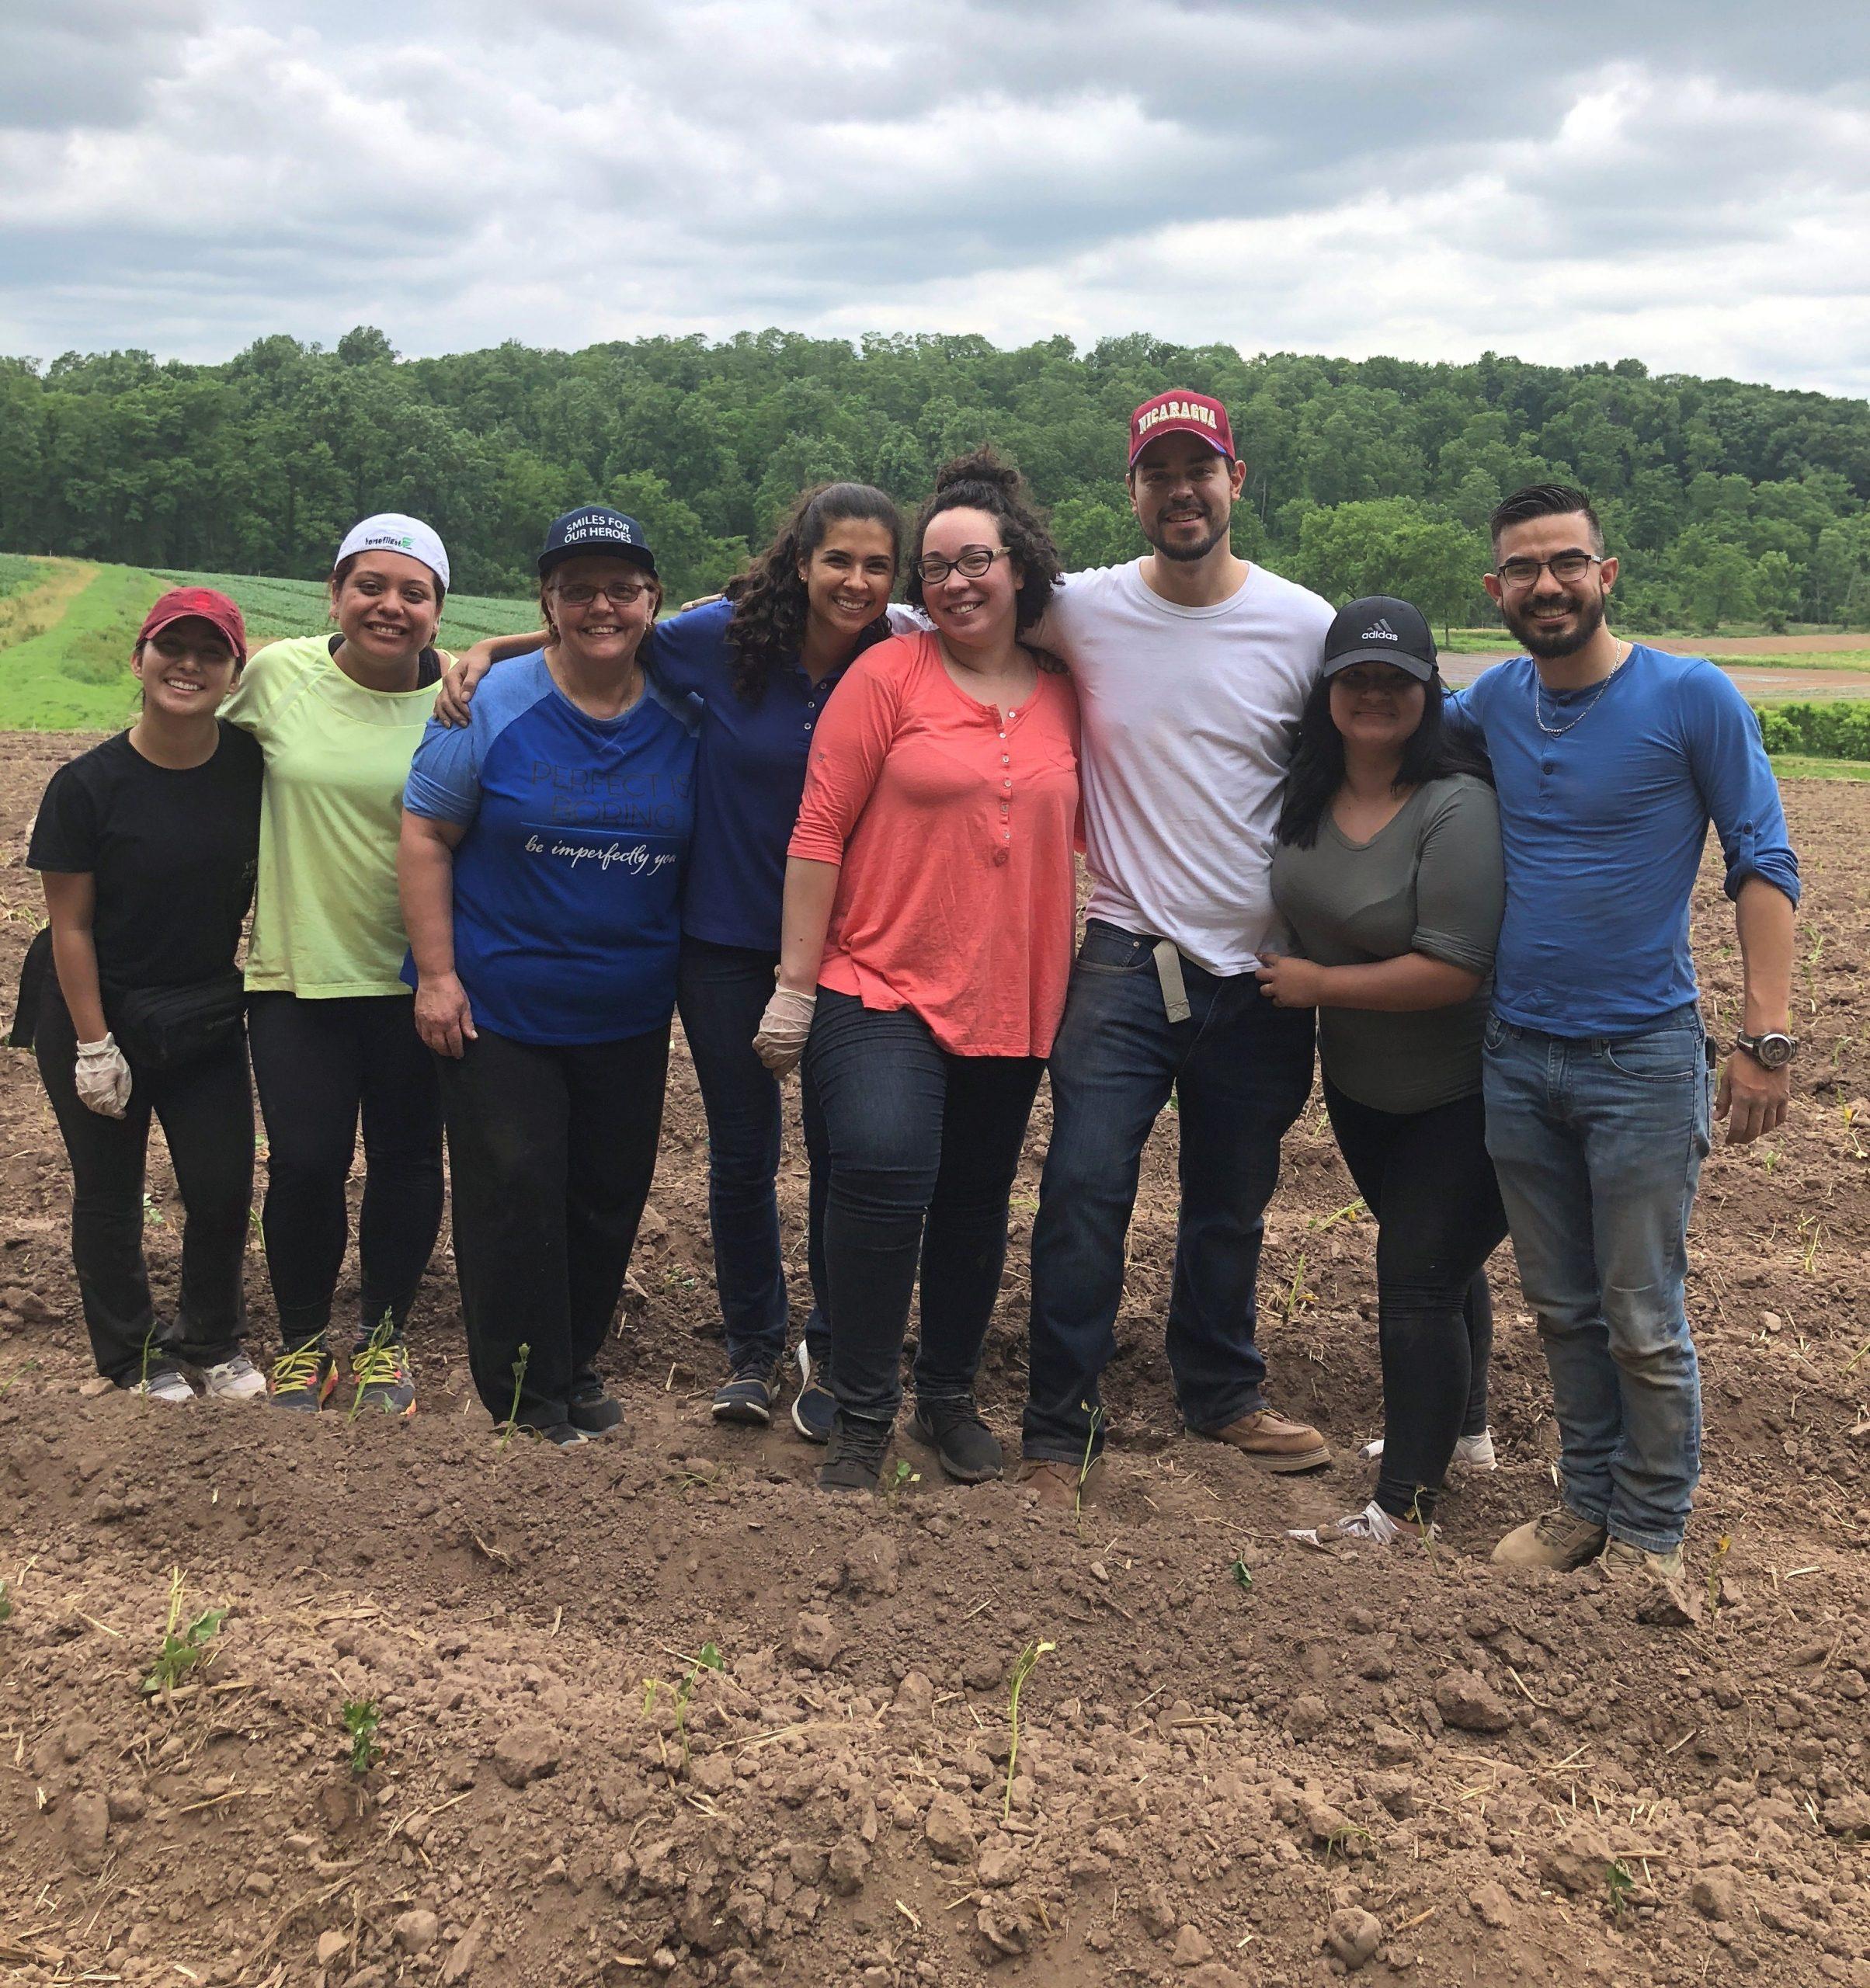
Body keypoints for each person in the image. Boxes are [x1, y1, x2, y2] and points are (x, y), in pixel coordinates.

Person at [438, 485, 902, 1438]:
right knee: (742, 1152)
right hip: (726, 939)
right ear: (799, 562)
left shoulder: (901, 653)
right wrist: (492, 651)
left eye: (874, 565)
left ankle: (825, 1342)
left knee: (842, 1151)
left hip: (855, 943)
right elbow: (609, 630)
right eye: (836, 561)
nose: (853, 582)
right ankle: (749, 1349)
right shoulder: (726, 638)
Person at [1453, 484, 1799, 1607]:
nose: (1545, 585)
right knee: (1560, 1305)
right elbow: (1377, 736)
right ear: (1495, 591)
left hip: (1643, 1058)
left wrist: (1765, 1036)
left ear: (1608, 574)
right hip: (1516, 1053)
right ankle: (1585, 1503)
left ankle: (1651, 1532)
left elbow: (1764, 860)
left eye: (1566, 563)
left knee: (1642, 1311)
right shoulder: (1491, 705)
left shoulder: (1690, 697)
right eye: (1523, 569)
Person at [1016, 391, 1334, 1506]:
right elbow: (920, 615)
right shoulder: (1080, 609)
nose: (1182, 490)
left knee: (1230, 1200)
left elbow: (1399, 738)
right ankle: (1059, 1424)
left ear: (1237, 482)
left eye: (1201, 470)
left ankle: (1221, 1393)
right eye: (1160, 473)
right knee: (1084, 1189)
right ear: (1134, 492)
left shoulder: (1305, 625)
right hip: (1123, 955)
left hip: (1260, 974)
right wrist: (525, 637)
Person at [753, 451, 1080, 1493]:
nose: (955, 583)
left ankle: (945, 1396)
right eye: (933, 570)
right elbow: (817, 829)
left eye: (974, 559)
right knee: (887, 1174)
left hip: (1012, 994)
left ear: (1018, 565)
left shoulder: (1068, 693)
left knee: (978, 1200)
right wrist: (795, 987)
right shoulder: (886, 676)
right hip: (876, 981)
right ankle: (859, 1413)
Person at [400, 506, 699, 1447]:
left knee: (607, 1194)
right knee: (514, 1193)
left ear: (651, 599)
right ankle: (523, 1398)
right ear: (548, 601)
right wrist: (437, 975)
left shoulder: (688, 705)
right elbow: (425, 835)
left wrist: (493, 635)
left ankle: (572, 1365)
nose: (600, 605)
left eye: (622, 587)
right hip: (500, 1006)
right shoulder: (485, 701)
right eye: (577, 590)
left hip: (627, 1003)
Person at [1262, 596, 1507, 1545]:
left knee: (1414, 1279)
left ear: (1427, 692)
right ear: (1325, 690)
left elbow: (1453, 968)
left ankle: (1401, 1510)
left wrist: (1317, 980)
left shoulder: (1457, 805)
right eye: (1352, 677)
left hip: (1465, 1090)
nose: (1372, 693)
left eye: (1394, 679)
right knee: (1442, 1268)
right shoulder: (1306, 790)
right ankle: (1468, 1432)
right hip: (1363, 1089)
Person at [224, 515, 450, 1419]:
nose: (389, 607)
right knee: (307, 1164)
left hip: (417, 978)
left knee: (405, 1162)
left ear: (438, 609)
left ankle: (385, 1343)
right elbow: (188, 745)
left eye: (413, 592)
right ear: (334, 593)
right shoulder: (281, 674)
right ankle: (304, 1346)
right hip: (297, 977)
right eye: (370, 586)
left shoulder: (463, 694)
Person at [19, 588, 264, 1401]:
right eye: (172, 647)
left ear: (234, 672)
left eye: (210, 652)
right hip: (97, 1005)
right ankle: (131, 1356)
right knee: (111, 1191)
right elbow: (70, 928)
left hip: (201, 1009)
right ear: (140, 658)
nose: (188, 664)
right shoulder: (86, 787)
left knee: (224, 1184)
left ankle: (212, 1341)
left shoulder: (249, 766)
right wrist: (94, 1045)